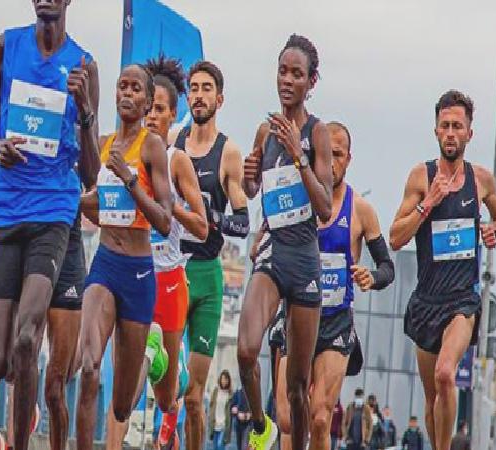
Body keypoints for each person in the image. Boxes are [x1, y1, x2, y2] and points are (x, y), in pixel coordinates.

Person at [0, 1, 100, 450]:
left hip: (54, 214)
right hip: (7, 210)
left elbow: (90, 172)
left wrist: (84, 111)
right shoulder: (10, 44)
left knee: (28, 340)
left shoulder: (84, 65)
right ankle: (26, 394)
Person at [389, 90, 496, 450]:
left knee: (446, 374)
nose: (451, 133)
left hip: (462, 301)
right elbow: (395, 237)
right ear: (436, 131)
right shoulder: (420, 178)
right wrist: (429, 204)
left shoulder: (480, 180)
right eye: (445, 126)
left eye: (458, 126)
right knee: (431, 400)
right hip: (427, 300)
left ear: (469, 133)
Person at [262, 121, 395, 450]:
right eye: (326, 153)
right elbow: (265, 243)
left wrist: (371, 277)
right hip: (294, 316)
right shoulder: (297, 200)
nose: (332, 161)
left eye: (338, 154)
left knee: (321, 416)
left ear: (349, 158)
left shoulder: (361, 210)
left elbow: (387, 267)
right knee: (287, 419)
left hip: (335, 320)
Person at [104, 55, 208, 450]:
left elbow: (201, 226)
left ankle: (169, 365)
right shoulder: (124, 153)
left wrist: (166, 205)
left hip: (167, 281)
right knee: (122, 379)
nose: (151, 118)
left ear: (170, 114)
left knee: (166, 397)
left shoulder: (176, 161)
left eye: (160, 111)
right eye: (150, 110)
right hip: (131, 271)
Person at [239, 34, 334, 450]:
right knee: (246, 349)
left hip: (305, 262)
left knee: (297, 388)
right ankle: (261, 426)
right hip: (273, 253)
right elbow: (252, 190)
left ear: (312, 81)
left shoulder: (319, 133)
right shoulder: (265, 130)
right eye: (282, 71)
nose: (287, 81)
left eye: (297, 74)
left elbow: (326, 206)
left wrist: (299, 155)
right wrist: (249, 175)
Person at [76, 63, 173, 450]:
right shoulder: (101, 144)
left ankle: (151, 354)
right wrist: (79, 202)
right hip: (105, 265)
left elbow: (164, 221)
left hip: (138, 274)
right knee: (88, 367)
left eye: (136, 89)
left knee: (121, 407)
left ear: (148, 101)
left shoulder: (152, 147)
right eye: (122, 87)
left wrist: (130, 180)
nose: (127, 94)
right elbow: (98, 205)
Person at [169, 59, 250, 450]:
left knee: (194, 397)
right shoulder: (170, 144)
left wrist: (208, 216)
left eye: (206, 89)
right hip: (171, 268)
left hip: (207, 275)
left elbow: (243, 221)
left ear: (219, 98)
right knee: (163, 384)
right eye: (194, 88)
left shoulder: (228, 153)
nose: (198, 95)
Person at [209, 371, 234, 450]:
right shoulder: (216, 391)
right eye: (222, 378)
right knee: (215, 447)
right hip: (215, 423)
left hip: (224, 424)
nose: (223, 381)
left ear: (228, 381)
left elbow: (232, 408)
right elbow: (211, 405)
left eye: (226, 379)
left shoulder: (230, 394)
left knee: (220, 446)